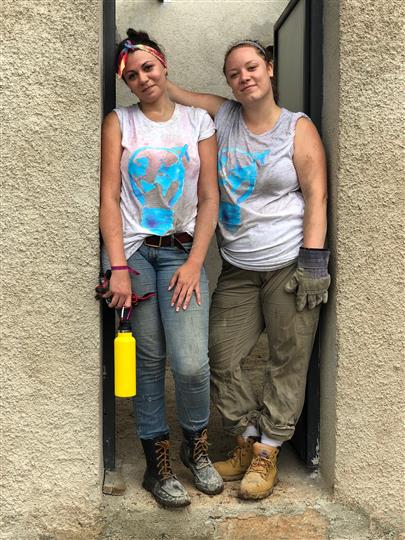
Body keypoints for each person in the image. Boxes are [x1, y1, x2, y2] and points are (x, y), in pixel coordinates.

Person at [167, 39, 330, 501]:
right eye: (235, 72)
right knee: (218, 353)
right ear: (229, 82)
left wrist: (313, 262)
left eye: (252, 67)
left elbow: (316, 194)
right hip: (238, 268)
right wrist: (141, 57)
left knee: (288, 359)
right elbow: (174, 92)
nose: (245, 77)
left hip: (288, 265)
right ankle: (246, 437)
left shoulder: (297, 129)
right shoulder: (223, 116)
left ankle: (269, 451)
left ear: (270, 69)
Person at [99, 29, 223, 508]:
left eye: (148, 68)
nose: (142, 78)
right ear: (126, 84)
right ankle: (158, 464)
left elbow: (210, 197)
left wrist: (195, 262)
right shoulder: (120, 123)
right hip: (134, 254)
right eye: (132, 75)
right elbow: (109, 197)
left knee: (191, 362)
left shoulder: (198, 122)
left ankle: (197, 449)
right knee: (148, 360)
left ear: (164, 66)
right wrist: (118, 267)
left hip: (182, 253)